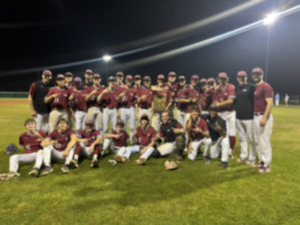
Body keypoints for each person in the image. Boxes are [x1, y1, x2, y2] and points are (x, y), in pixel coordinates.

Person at [251, 67, 274, 173]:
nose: (255, 76)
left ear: (262, 75)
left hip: (263, 116)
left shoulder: (266, 87)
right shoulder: (256, 87)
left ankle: (266, 165)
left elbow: (270, 103)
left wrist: (264, 117)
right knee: (258, 140)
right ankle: (261, 160)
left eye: (258, 74)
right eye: (254, 74)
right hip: (256, 116)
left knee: (264, 141)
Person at [212, 72, 236, 158]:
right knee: (221, 132)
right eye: (220, 79)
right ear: (217, 79)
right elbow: (214, 102)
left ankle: (230, 151)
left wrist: (219, 105)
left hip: (231, 112)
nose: (221, 80)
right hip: (221, 113)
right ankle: (222, 150)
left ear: (227, 79)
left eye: (223, 79)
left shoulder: (231, 87)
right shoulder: (217, 90)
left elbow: (230, 102)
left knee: (231, 133)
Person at [235, 71, 256, 165]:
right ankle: (243, 155)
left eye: (243, 77)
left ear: (246, 77)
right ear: (237, 78)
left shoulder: (251, 87)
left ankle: (252, 157)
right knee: (242, 138)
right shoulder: (237, 88)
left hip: (249, 117)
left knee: (251, 139)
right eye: (240, 77)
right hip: (238, 117)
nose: (241, 79)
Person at [117, 75, 137, 140]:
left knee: (132, 127)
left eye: (130, 80)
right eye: (128, 80)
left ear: (132, 81)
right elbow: (117, 101)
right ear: (125, 80)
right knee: (123, 126)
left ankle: (132, 140)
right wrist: (118, 110)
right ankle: (123, 140)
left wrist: (136, 112)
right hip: (123, 108)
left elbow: (136, 102)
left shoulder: (134, 89)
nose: (129, 81)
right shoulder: (121, 88)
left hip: (131, 108)